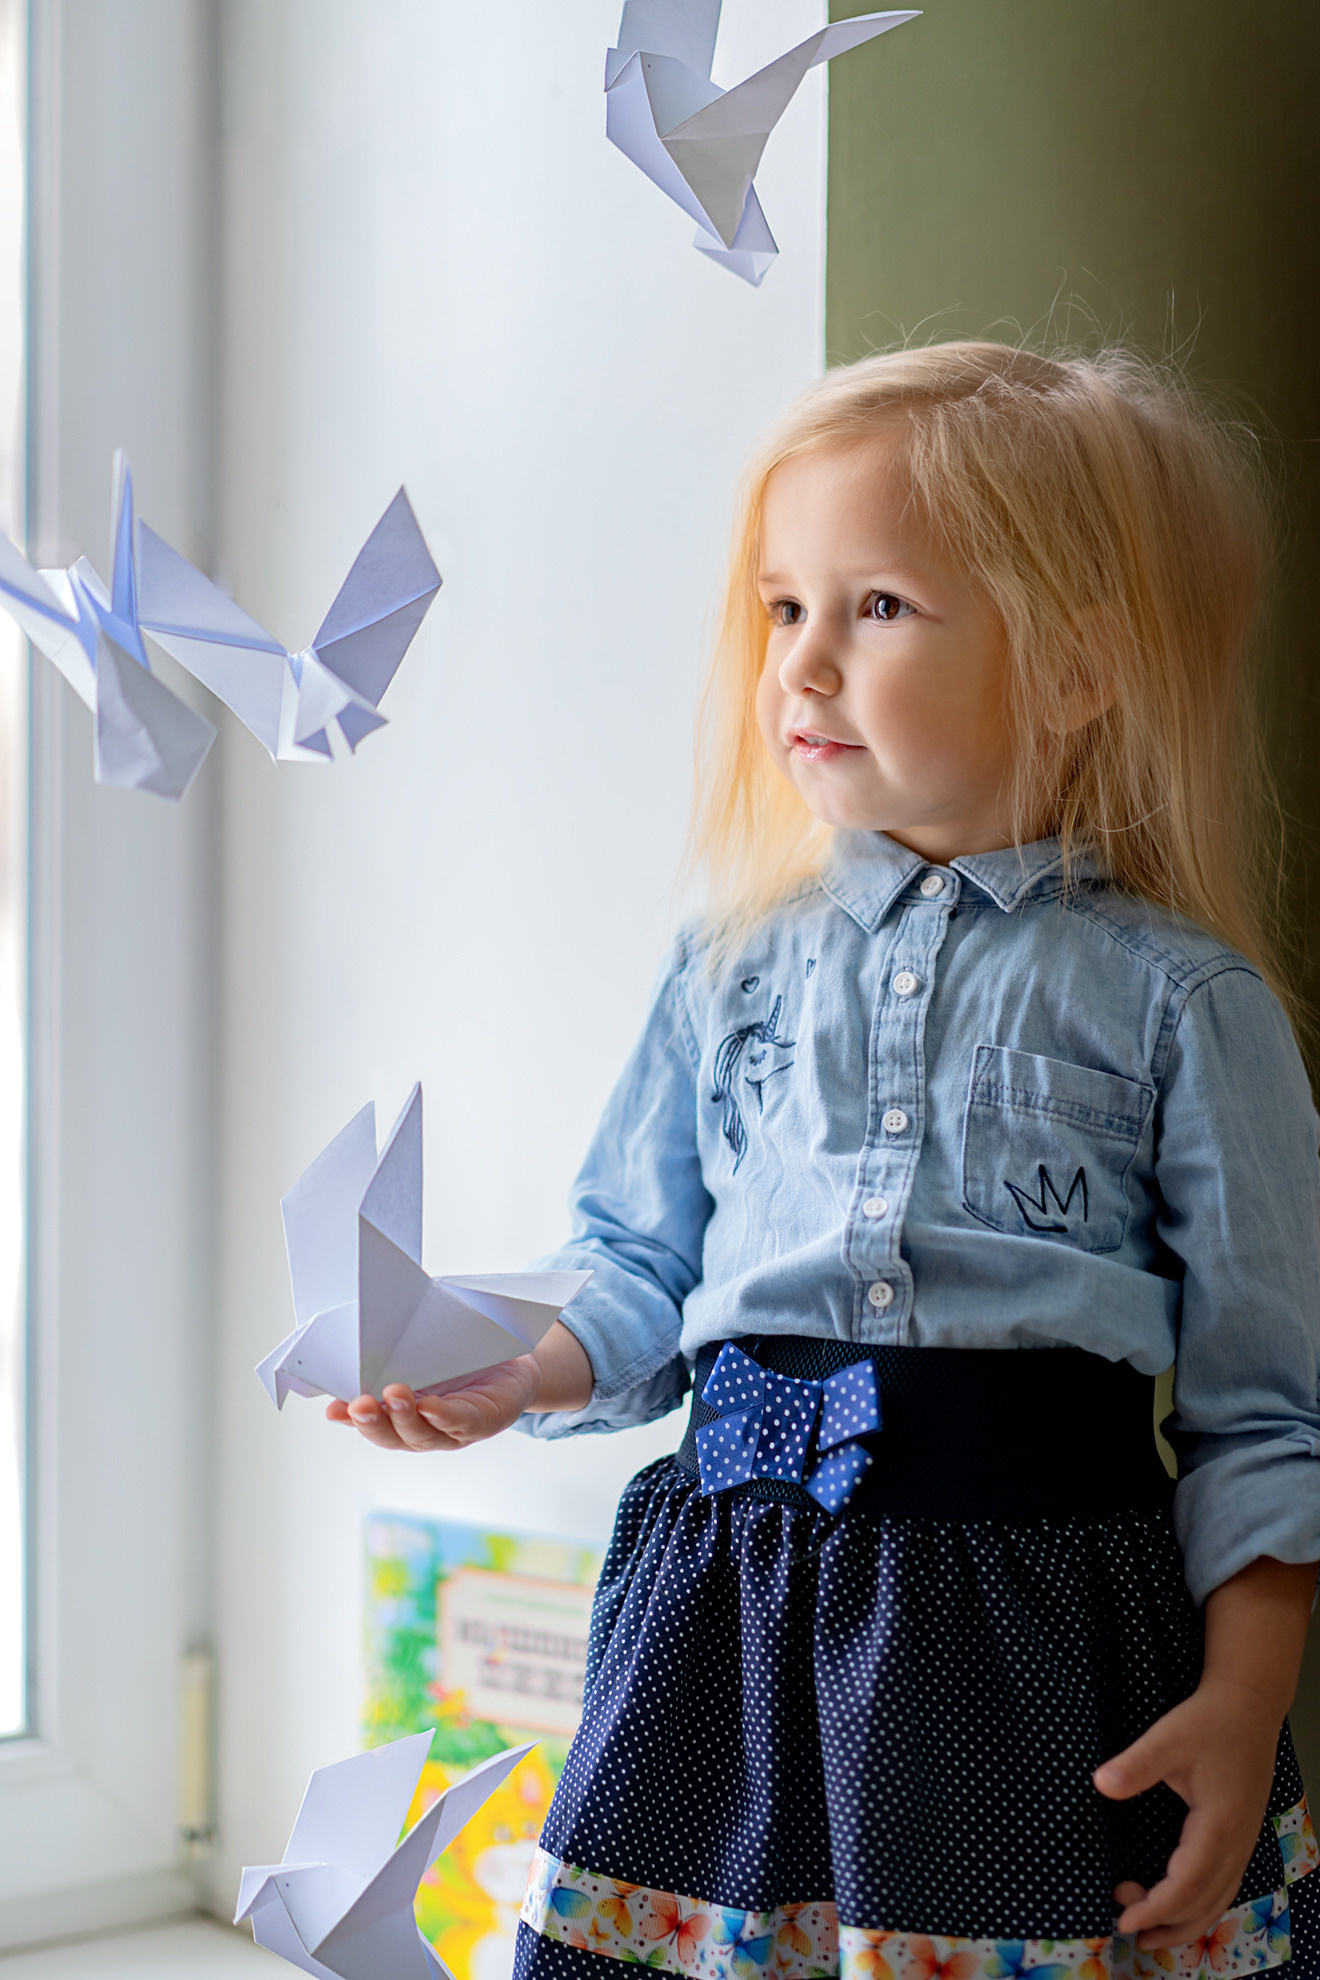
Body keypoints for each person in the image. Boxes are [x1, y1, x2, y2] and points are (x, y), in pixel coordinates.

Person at [334, 343, 1320, 1980]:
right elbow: (642, 1263)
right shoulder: (729, 962)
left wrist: (1246, 1690)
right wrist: (527, 1370)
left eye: (878, 609)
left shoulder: (1180, 1007)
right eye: (785, 608)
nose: (798, 667)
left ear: (1076, 671)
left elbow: (1265, 1407)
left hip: (1026, 1640)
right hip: (723, 1617)